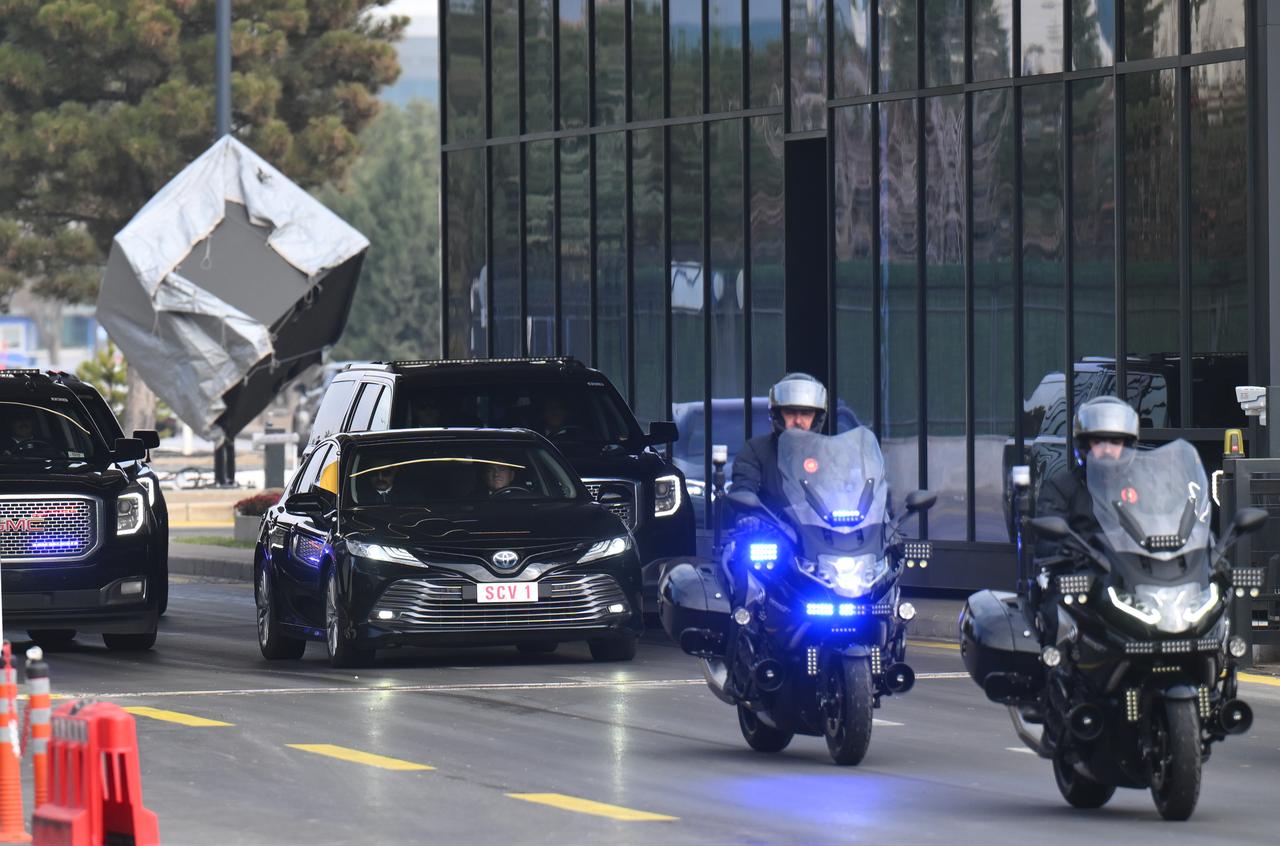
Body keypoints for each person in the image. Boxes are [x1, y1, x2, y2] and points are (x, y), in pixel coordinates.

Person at [1031, 395, 1140, 644]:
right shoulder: (1061, 488)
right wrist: (1076, 550)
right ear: (1084, 445)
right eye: (1099, 441)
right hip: (1084, 582)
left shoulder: (1144, 489)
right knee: (1057, 621)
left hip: (1135, 581)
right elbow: (1047, 541)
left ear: (1127, 445)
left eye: (1115, 441)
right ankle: (1059, 675)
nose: (1108, 449)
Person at [731, 373, 829, 520]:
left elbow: (849, 490)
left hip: (826, 534)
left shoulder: (831, 453)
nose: (798, 420)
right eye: (790, 412)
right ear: (777, 414)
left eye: (806, 413)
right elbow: (744, 488)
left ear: (817, 417)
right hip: (775, 533)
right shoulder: (756, 450)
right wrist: (750, 518)